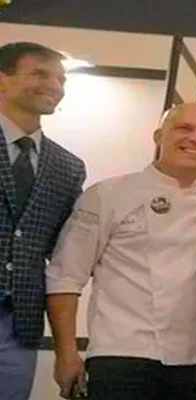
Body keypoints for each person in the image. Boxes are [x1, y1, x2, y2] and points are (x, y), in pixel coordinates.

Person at [45, 103, 196, 400]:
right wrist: (66, 354)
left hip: (195, 360)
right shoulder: (107, 195)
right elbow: (65, 277)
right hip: (119, 356)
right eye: (184, 128)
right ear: (158, 137)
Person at [0, 41, 87, 400]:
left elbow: (62, 260)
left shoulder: (67, 167)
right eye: (39, 73)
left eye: (60, 78)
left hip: (18, 325)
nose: (54, 84)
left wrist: (67, 351)